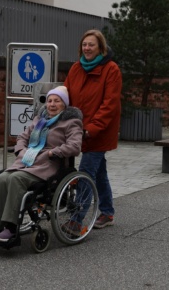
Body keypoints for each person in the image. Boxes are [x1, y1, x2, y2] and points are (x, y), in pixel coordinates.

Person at [0, 86, 83, 244]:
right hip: (26, 161)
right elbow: (22, 137)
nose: (52, 104)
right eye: (49, 100)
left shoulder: (71, 123)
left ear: (64, 105)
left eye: (57, 101)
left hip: (47, 165)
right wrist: (21, 149)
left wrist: (53, 152)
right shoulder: (39, 120)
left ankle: (10, 228)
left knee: (16, 179)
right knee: (3, 178)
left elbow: (75, 146)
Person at [64, 29, 122, 229]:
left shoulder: (111, 69)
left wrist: (92, 128)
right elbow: (66, 97)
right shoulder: (75, 68)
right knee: (99, 172)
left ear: (101, 48)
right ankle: (107, 212)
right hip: (78, 129)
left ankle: (76, 220)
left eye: (92, 45)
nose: (87, 48)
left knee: (86, 172)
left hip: (98, 131)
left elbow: (110, 104)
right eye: (84, 44)